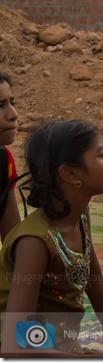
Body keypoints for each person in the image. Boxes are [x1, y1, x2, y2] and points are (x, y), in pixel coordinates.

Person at [0, 120, 103, 356]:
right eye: (102, 154)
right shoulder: (35, 243)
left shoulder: (79, 216)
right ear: (70, 173)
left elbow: (96, 284)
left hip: (62, 348)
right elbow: (15, 348)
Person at [0, 72, 21, 241]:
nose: (13, 114)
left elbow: (12, 244)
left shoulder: (4, 160)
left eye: (11, 103)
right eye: (0, 105)